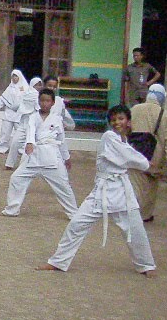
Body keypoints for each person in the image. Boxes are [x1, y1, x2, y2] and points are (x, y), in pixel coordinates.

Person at [40, 105, 156, 276]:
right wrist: (146, 164)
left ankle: (146, 265)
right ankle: (58, 261)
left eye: (121, 119)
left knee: (135, 229)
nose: (118, 122)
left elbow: (128, 155)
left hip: (122, 191)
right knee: (77, 224)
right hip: (102, 190)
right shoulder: (109, 137)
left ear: (128, 121)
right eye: (114, 119)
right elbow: (128, 157)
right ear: (110, 123)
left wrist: (144, 163)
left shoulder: (124, 141)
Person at [2, 88, 78, 219]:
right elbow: (30, 130)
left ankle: (74, 213)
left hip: (52, 157)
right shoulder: (33, 117)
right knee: (17, 178)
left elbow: (62, 140)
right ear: (38, 102)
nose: (44, 103)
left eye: (47, 100)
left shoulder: (57, 119)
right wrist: (30, 143)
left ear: (53, 103)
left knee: (64, 187)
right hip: (35, 155)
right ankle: (12, 209)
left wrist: (67, 157)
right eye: (42, 100)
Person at [128, 83, 167, 223]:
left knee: (135, 184)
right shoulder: (165, 114)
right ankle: (144, 215)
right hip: (154, 156)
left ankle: (131, 213)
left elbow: (127, 129)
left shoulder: (135, 109)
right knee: (150, 188)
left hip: (135, 152)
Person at [0, 69, 27, 154]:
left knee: (21, 133)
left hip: (20, 114)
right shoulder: (9, 88)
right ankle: (2, 148)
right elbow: (1, 100)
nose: (14, 78)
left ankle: (22, 149)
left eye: (16, 76)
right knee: (5, 133)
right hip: (9, 114)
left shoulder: (25, 88)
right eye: (13, 76)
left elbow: (28, 100)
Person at [5, 77, 42, 170]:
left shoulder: (39, 96)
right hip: (23, 121)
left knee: (29, 143)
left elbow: (39, 108)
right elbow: (17, 105)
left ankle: (23, 165)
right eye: (37, 85)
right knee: (15, 142)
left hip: (33, 122)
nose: (38, 87)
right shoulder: (25, 93)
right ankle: (9, 163)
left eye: (40, 85)